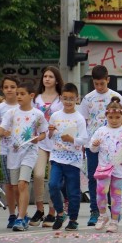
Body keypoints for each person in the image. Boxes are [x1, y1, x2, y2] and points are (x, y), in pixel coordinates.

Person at [78, 65, 122, 226]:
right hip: (94, 143)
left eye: (102, 83)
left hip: (113, 145)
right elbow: (83, 122)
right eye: (96, 84)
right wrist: (83, 143)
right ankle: (95, 211)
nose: (99, 87)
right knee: (95, 177)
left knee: (113, 178)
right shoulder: (88, 99)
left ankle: (114, 210)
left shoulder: (116, 97)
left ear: (108, 80)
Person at [0, 82, 48, 231]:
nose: (18, 96)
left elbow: (44, 132)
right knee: (15, 187)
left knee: (22, 184)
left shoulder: (37, 114)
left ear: (31, 96)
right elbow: (1, 129)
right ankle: (23, 215)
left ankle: (19, 219)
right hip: (13, 153)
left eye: (22, 94)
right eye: (17, 94)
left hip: (29, 152)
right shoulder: (11, 113)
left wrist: (39, 138)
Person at [89, 96, 122, 233]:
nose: (114, 120)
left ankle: (114, 221)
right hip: (104, 167)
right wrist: (94, 144)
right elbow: (92, 149)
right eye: (111, 117)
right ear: (106, 116)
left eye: (117, 117)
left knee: (116, 194)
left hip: (120, 168)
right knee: (100, 192)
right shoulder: (100, 131)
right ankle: (103, 216)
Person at [47, 83, 88, 231]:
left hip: (73, 159)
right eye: (65, 98)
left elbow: (84, 139)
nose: (68, 101)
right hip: (57, 157)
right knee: (53, 185)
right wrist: (50, 132)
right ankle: (60, 213)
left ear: (77, 99)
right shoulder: (55, 116)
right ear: (61, 98)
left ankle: (73, 219)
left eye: (71, 98)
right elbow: (49, 137)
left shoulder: (79, 118)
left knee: (73, 191)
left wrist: (72, 139)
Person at [30, 66, 64, 227]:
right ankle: (39, 209)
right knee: (37, 174)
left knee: (53, 181)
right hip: (40, 142)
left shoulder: (62, 99)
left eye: (51, 76)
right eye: (45, 76)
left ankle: (52, 211)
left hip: (57, 143)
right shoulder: (35, 99)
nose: (47, 79)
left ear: (57, 80)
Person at [0, 75, 20, 229]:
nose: (9, 90)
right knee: (9, 184)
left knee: (20, 184)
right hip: (5, 151)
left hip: (23, 152)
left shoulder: (24, 106)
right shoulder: (0, 108)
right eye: (6, 87)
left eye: (13, 87)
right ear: (2, 89)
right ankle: (12, 214)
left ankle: (23, 213)